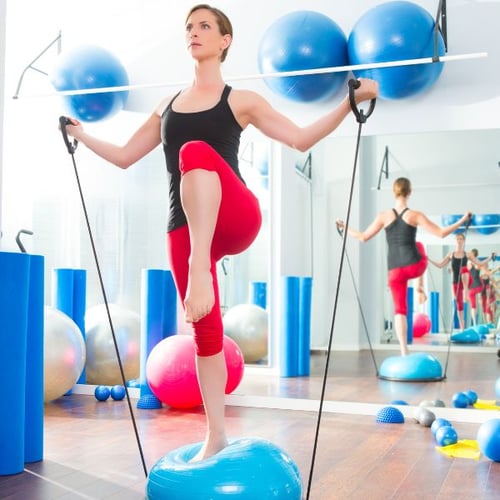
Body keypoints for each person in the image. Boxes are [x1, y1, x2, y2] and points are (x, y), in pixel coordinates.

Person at [61, 4, 379, 461]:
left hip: (234, 216)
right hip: (185, 226)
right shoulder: (166, 104)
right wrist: (82, 135)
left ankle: (201, 269)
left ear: (225, 41)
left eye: (204, 26)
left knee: (195, 150)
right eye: (189, 27)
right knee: (204, 335)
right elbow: (126, 155)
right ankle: (216, 435)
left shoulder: (240, 100)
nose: (194, 33)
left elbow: (300, 138)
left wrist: (351, 104)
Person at [336, 177, 471, 357]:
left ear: (394, 192)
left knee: (400, 310)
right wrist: (462, 219)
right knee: (421, 246)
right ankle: (419, 286)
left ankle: (403, 351)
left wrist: (345, 227)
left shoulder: (383, 216)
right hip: (414, 265)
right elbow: (441, 233)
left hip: (394, 271)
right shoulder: (415, 215)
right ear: (410, 192)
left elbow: (362, 237)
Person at [428, 233, 491, 330]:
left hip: (467, 280)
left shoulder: (467, 254)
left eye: (461, 239)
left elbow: (480, 263)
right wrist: (428, 259)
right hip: (456, 281)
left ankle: (466, 291)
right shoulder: (450, 254)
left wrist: (490, 257)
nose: (459, 241)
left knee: (464, 269)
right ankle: (462, 325)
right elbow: (440, 265)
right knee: (458, 303)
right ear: (456, 241)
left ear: (463, 241)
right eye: (457, 239)